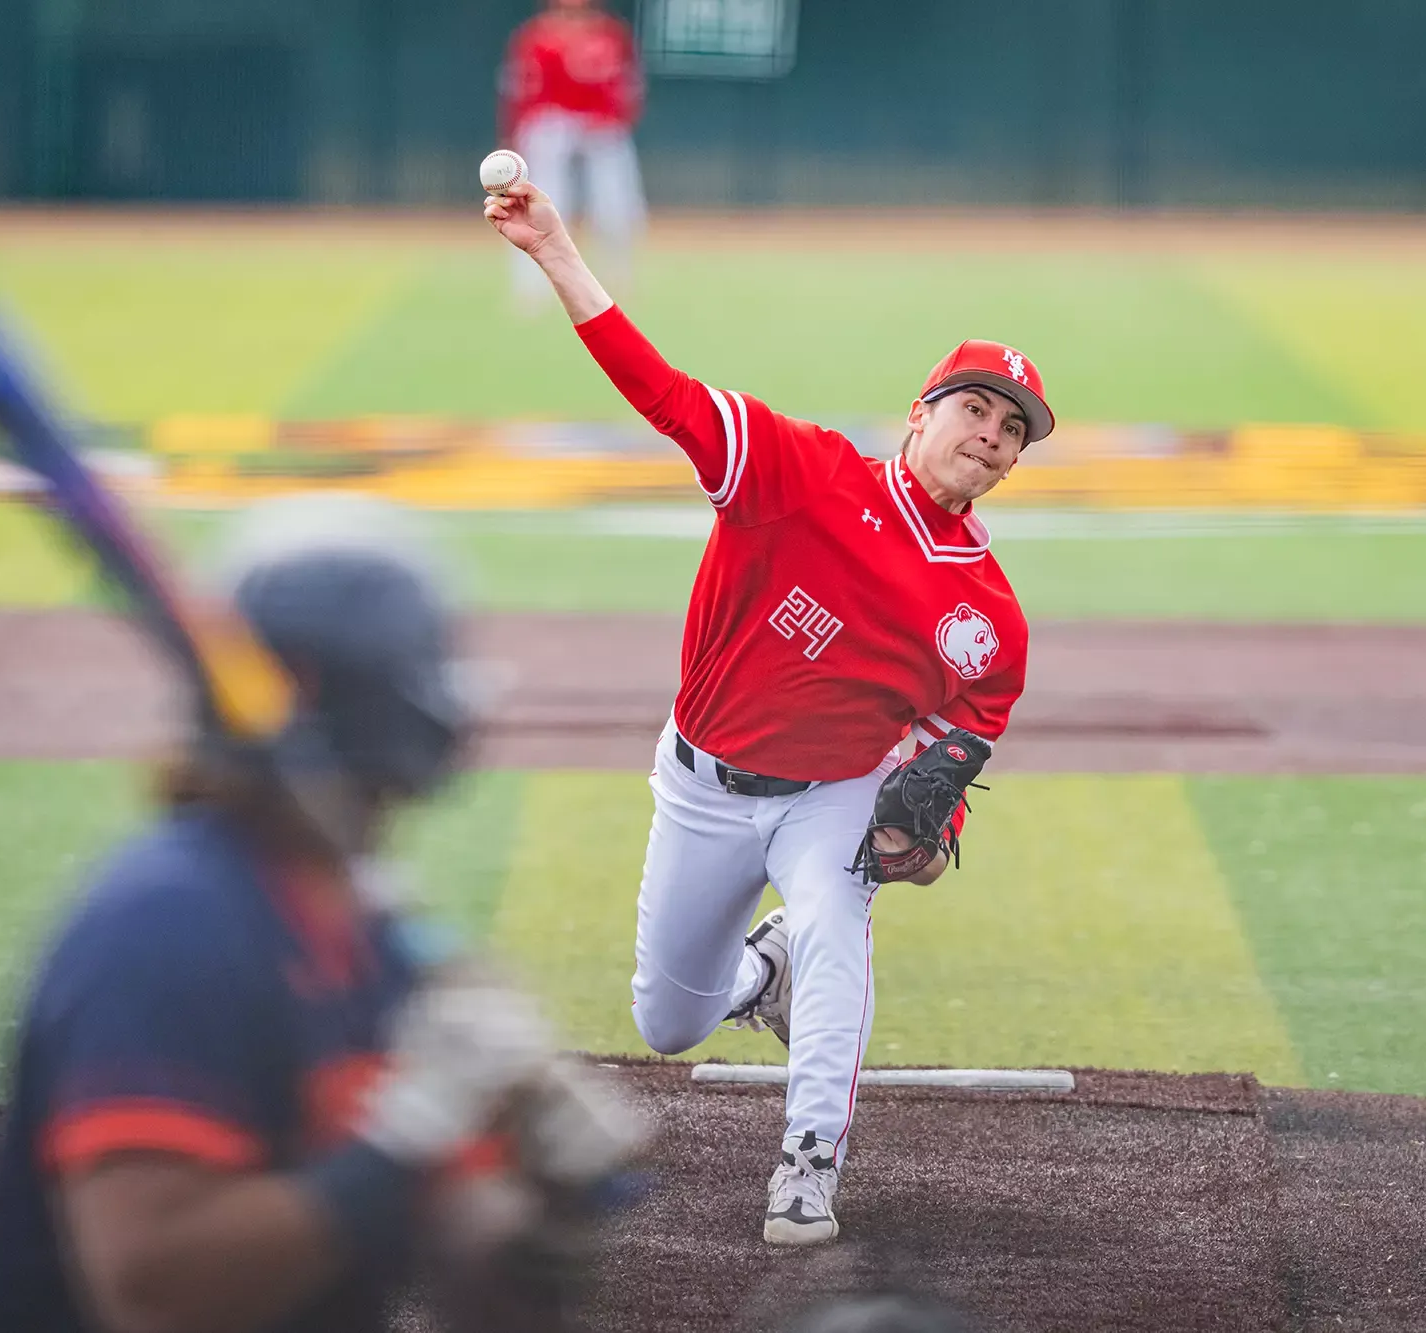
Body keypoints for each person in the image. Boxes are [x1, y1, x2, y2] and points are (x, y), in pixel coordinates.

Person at [483, 180, 1049, 1246]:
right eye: (974, 406)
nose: (989, 432)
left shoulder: (988, 621)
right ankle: (760, 972)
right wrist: (558, 252)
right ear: (920, 412)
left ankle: (807, 1163)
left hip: (828, 797)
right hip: (698, 779)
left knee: (838, 921)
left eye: (1011, 427)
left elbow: (947, 760)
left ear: (1015, 462)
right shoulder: (801, 472)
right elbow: (666, 395)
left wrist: (921, 845)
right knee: (668, 1020)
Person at [0, 502, 610, 1333]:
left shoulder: (373, 940)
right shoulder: (166, 926)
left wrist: (552, 1208)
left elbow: (475, 1271)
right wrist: (408, 1133)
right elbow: (155, 1292)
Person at [497, 0, 646, 308]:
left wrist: (614, 118)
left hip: (600, 124)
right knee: (538, 205)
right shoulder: (535, 37)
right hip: (552, 123)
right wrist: (515, 135)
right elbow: (518, 92)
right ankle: (531, 289)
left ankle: (617, 281)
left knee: (615, 207)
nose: (572, 16)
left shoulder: (610, 34)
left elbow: (629, 89)